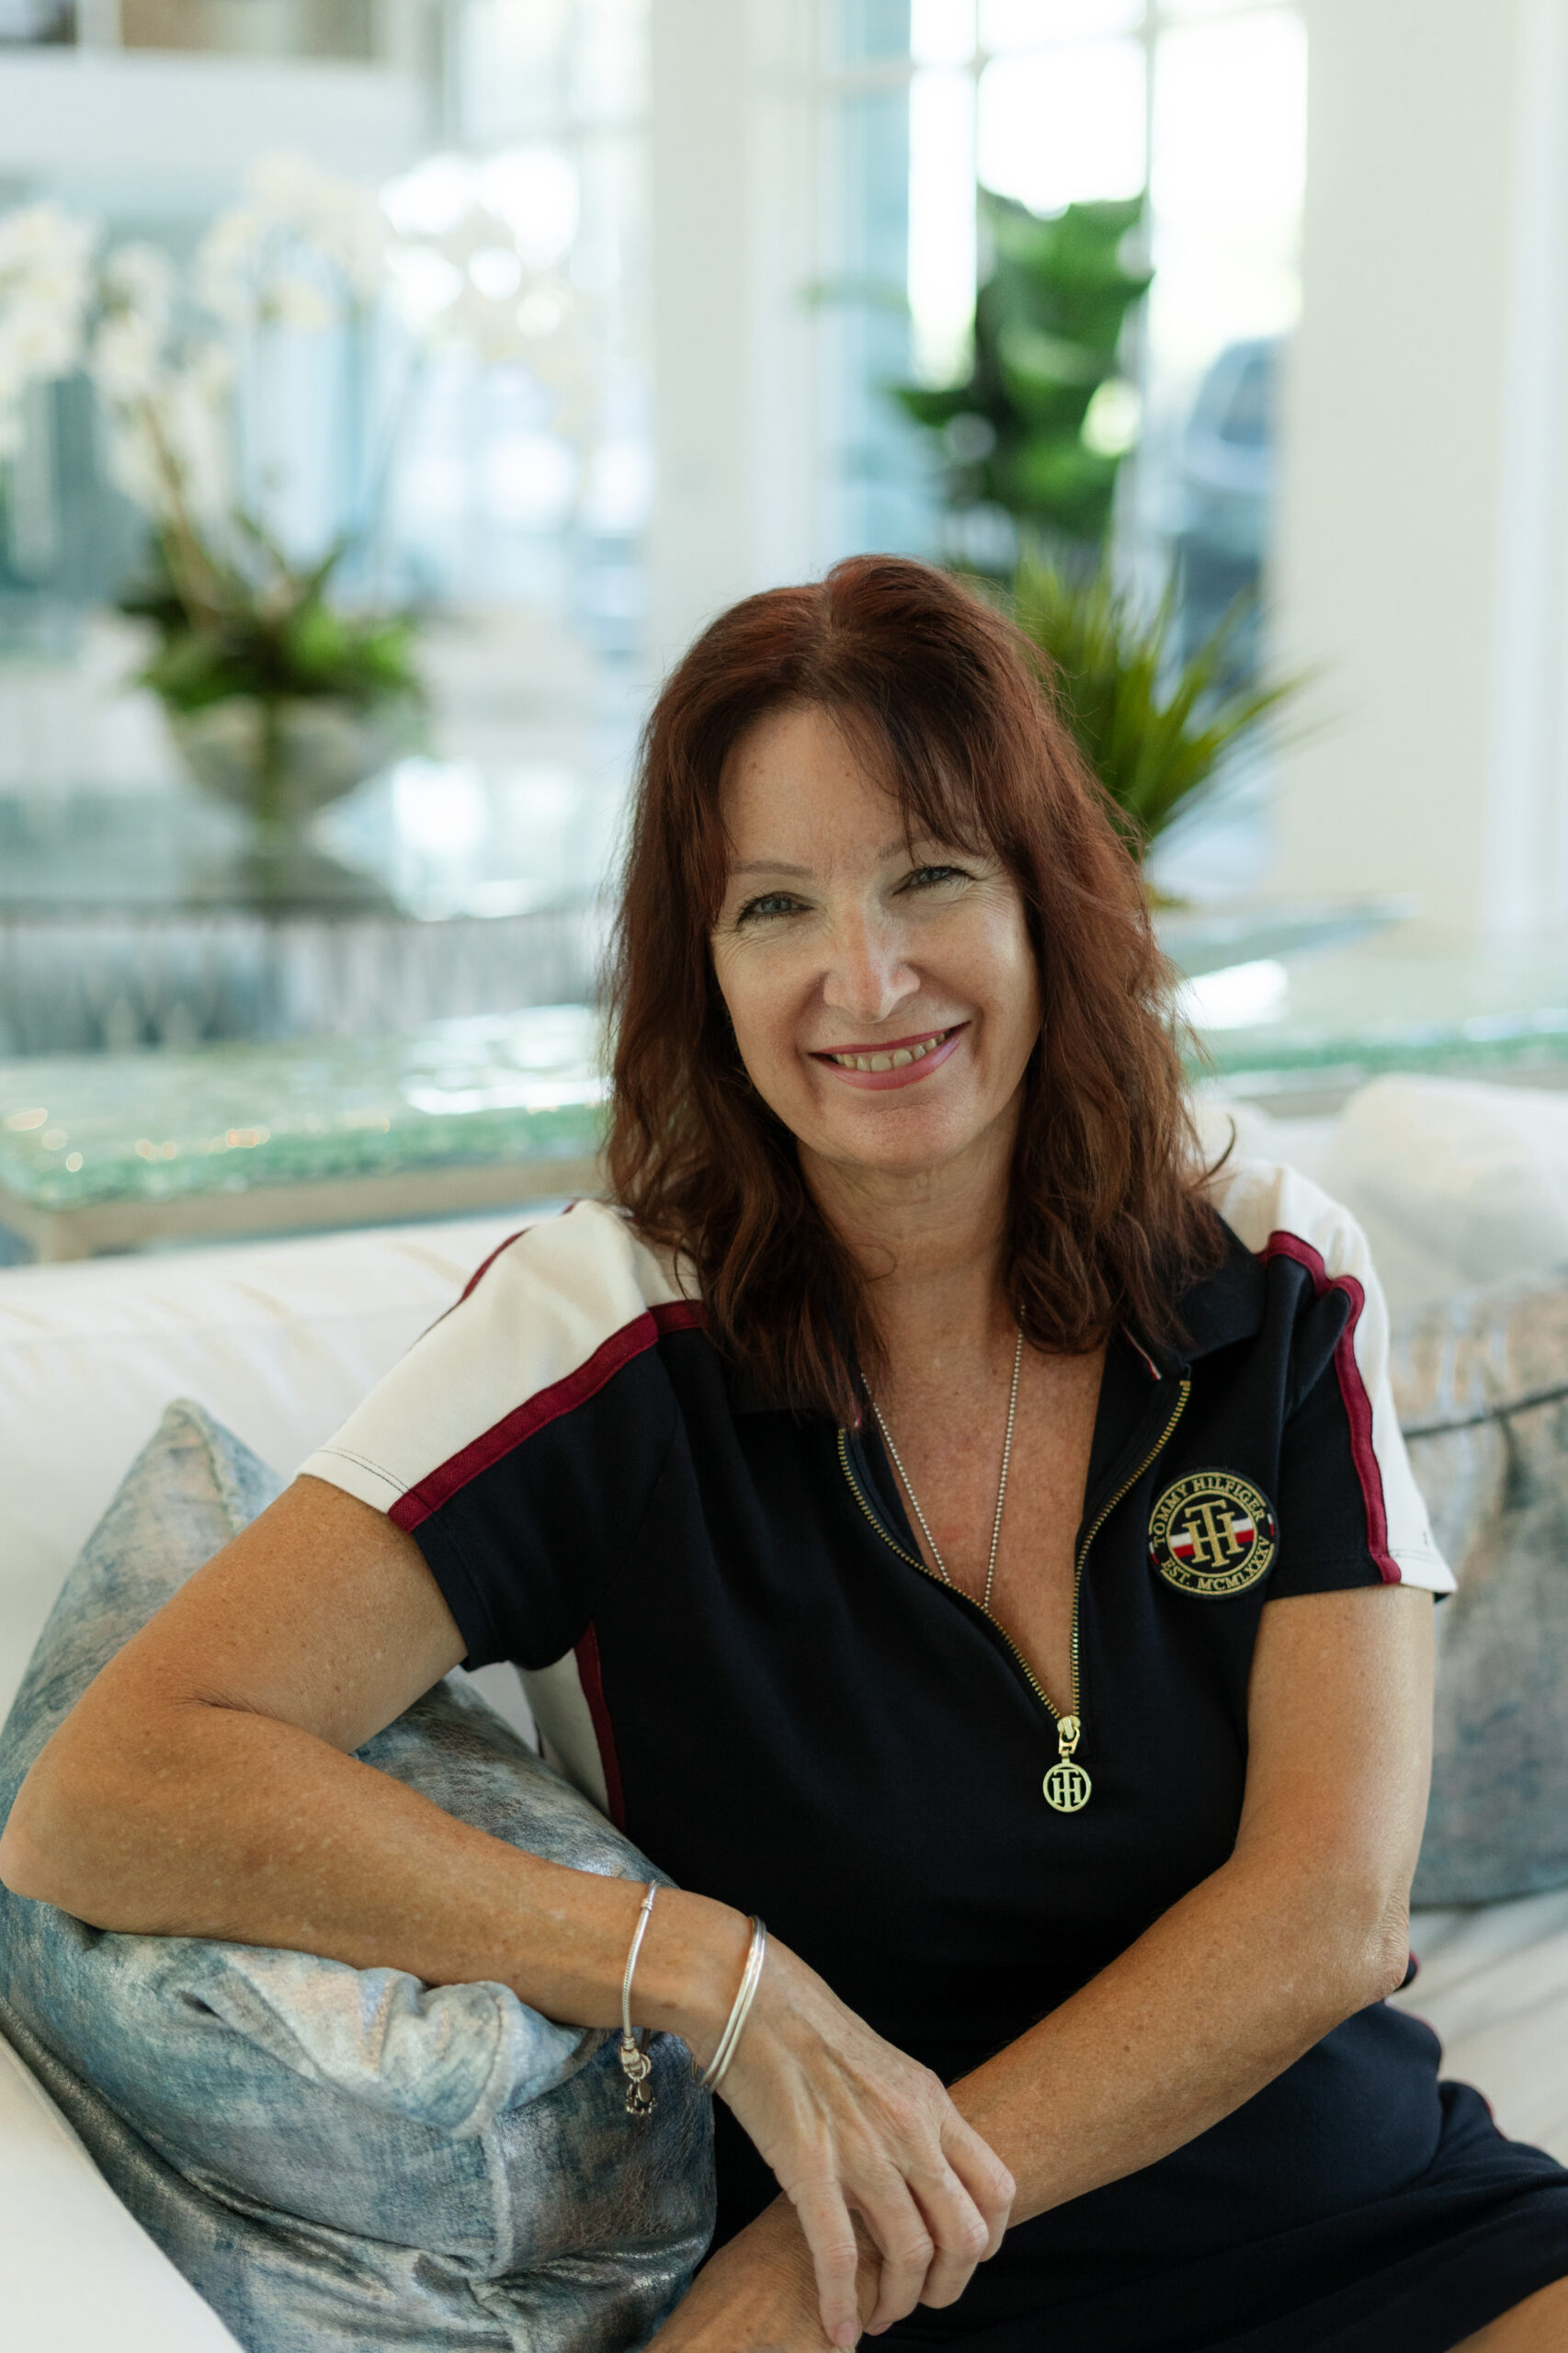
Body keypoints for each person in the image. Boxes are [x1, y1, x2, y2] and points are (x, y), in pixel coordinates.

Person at [4, 555, 1566, 2353]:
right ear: (704, 968)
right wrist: (707, 1972)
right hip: (921, 2315)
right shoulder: (597, 1335)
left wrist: (850, 2238)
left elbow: (1328, 1916)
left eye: (930, 875)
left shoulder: (1271, 1274)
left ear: (1050, 901)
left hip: (1350, 2219)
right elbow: (102, 1794)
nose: (864, 977)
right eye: (772, 906)